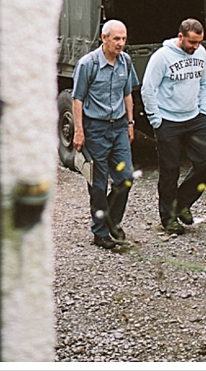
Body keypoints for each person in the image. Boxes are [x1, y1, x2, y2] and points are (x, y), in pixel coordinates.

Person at [140, 18, 206, 236]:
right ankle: (169, 218)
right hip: (168, 121)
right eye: (192, 42)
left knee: (205, 161)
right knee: (170, 170)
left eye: (199, 42)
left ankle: (182, 203)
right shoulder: (161, 57)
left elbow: (205, 83)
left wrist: (203, 111)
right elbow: (148, 88)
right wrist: (156, 120)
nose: (196, 47)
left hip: (194, 118)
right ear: (180, 37)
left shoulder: (200, 54)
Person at [72, 19, 138, 249]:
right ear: (104, 38)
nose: (121, 44)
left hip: (118, 126)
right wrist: (79, 131)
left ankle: (112, 220)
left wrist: (130, 122)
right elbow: (77, 99)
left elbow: (127, 94)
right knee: (98, 184)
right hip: (95, 129)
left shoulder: (126, 62)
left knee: (126, 179)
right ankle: (100, 232)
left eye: (124, 39)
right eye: (116, 39)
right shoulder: (87, 64)